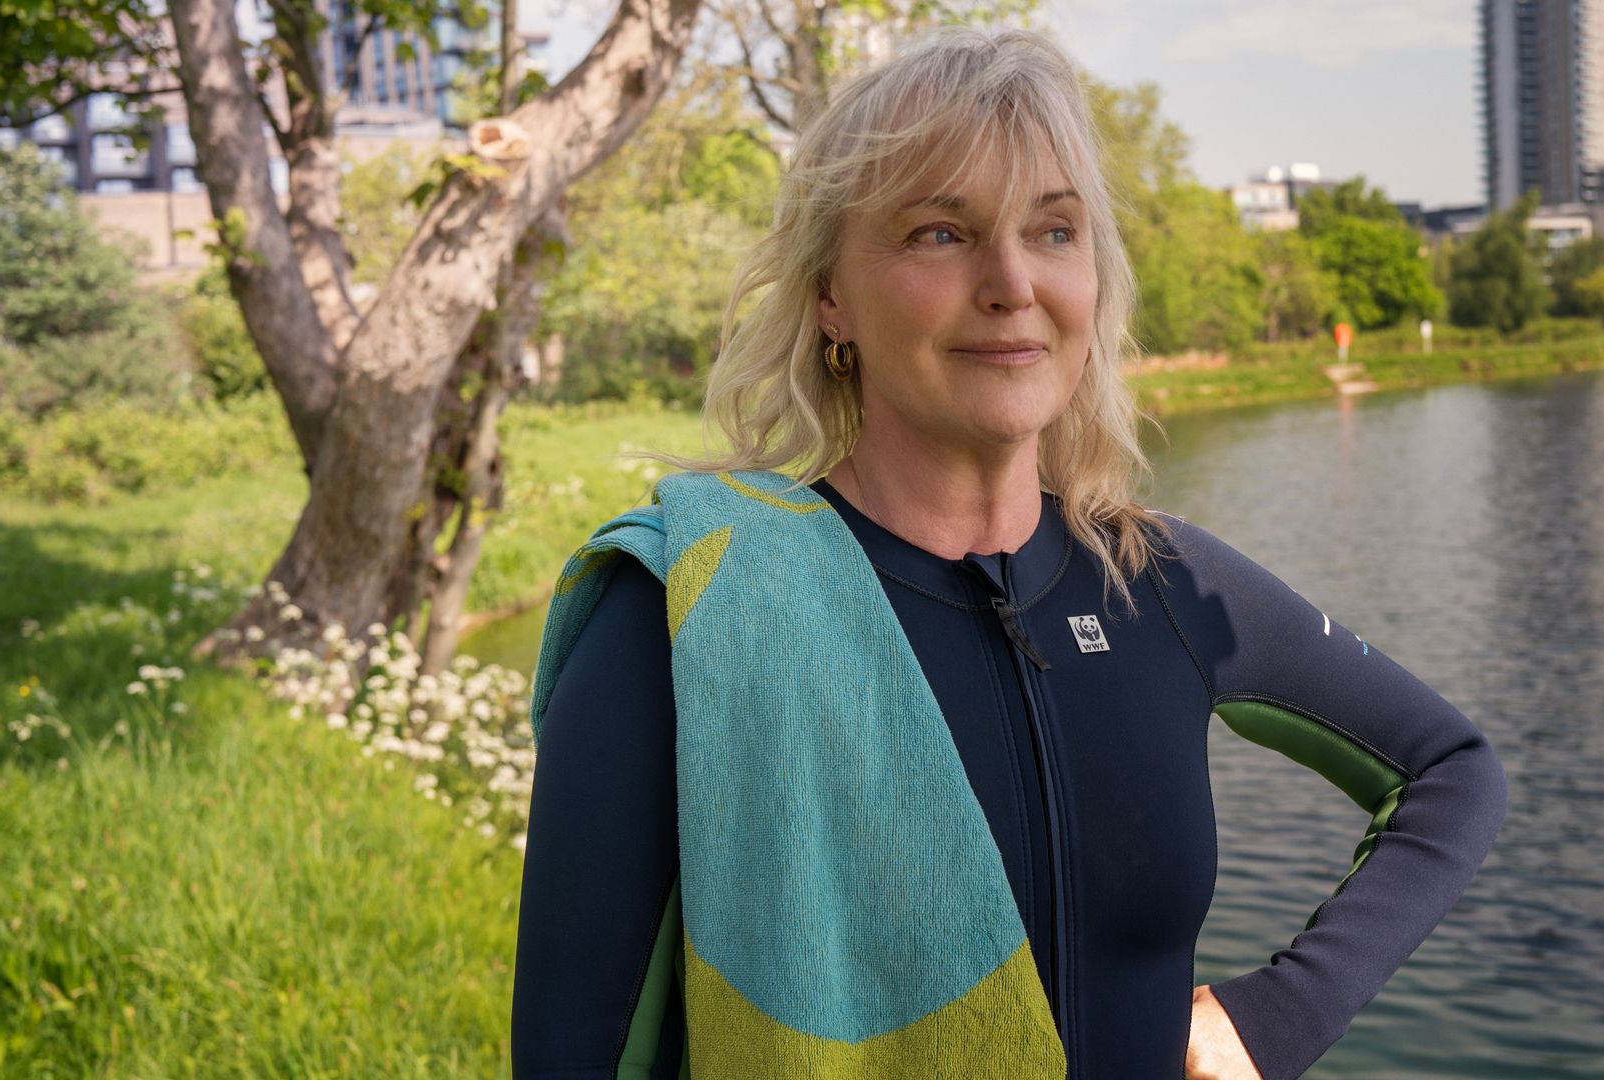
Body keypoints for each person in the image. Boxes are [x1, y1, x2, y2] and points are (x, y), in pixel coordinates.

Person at [511, 28, 1507, 1080]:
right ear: (831, 294)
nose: (1011, 282)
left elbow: (1453, 770)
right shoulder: (687, 614)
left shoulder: (1162, 583)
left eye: (1054, 230)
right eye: (941, 232)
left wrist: (1278, 1017)